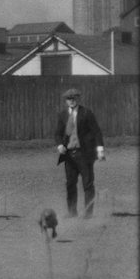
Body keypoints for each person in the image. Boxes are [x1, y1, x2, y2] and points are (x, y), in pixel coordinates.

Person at [54, 88, 105, 218]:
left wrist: (100, 150)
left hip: (85, 154)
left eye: (74, 98)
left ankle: (88, 213)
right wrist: (60, 145)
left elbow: (97, 132)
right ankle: (72, 212)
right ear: (66, 101)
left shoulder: (87, 113)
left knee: (87, 184)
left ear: (78, 99)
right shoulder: (62, 115)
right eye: (68, 99)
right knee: (70, 184)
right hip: (69, 155)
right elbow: (58, 133)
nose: (71, 101)